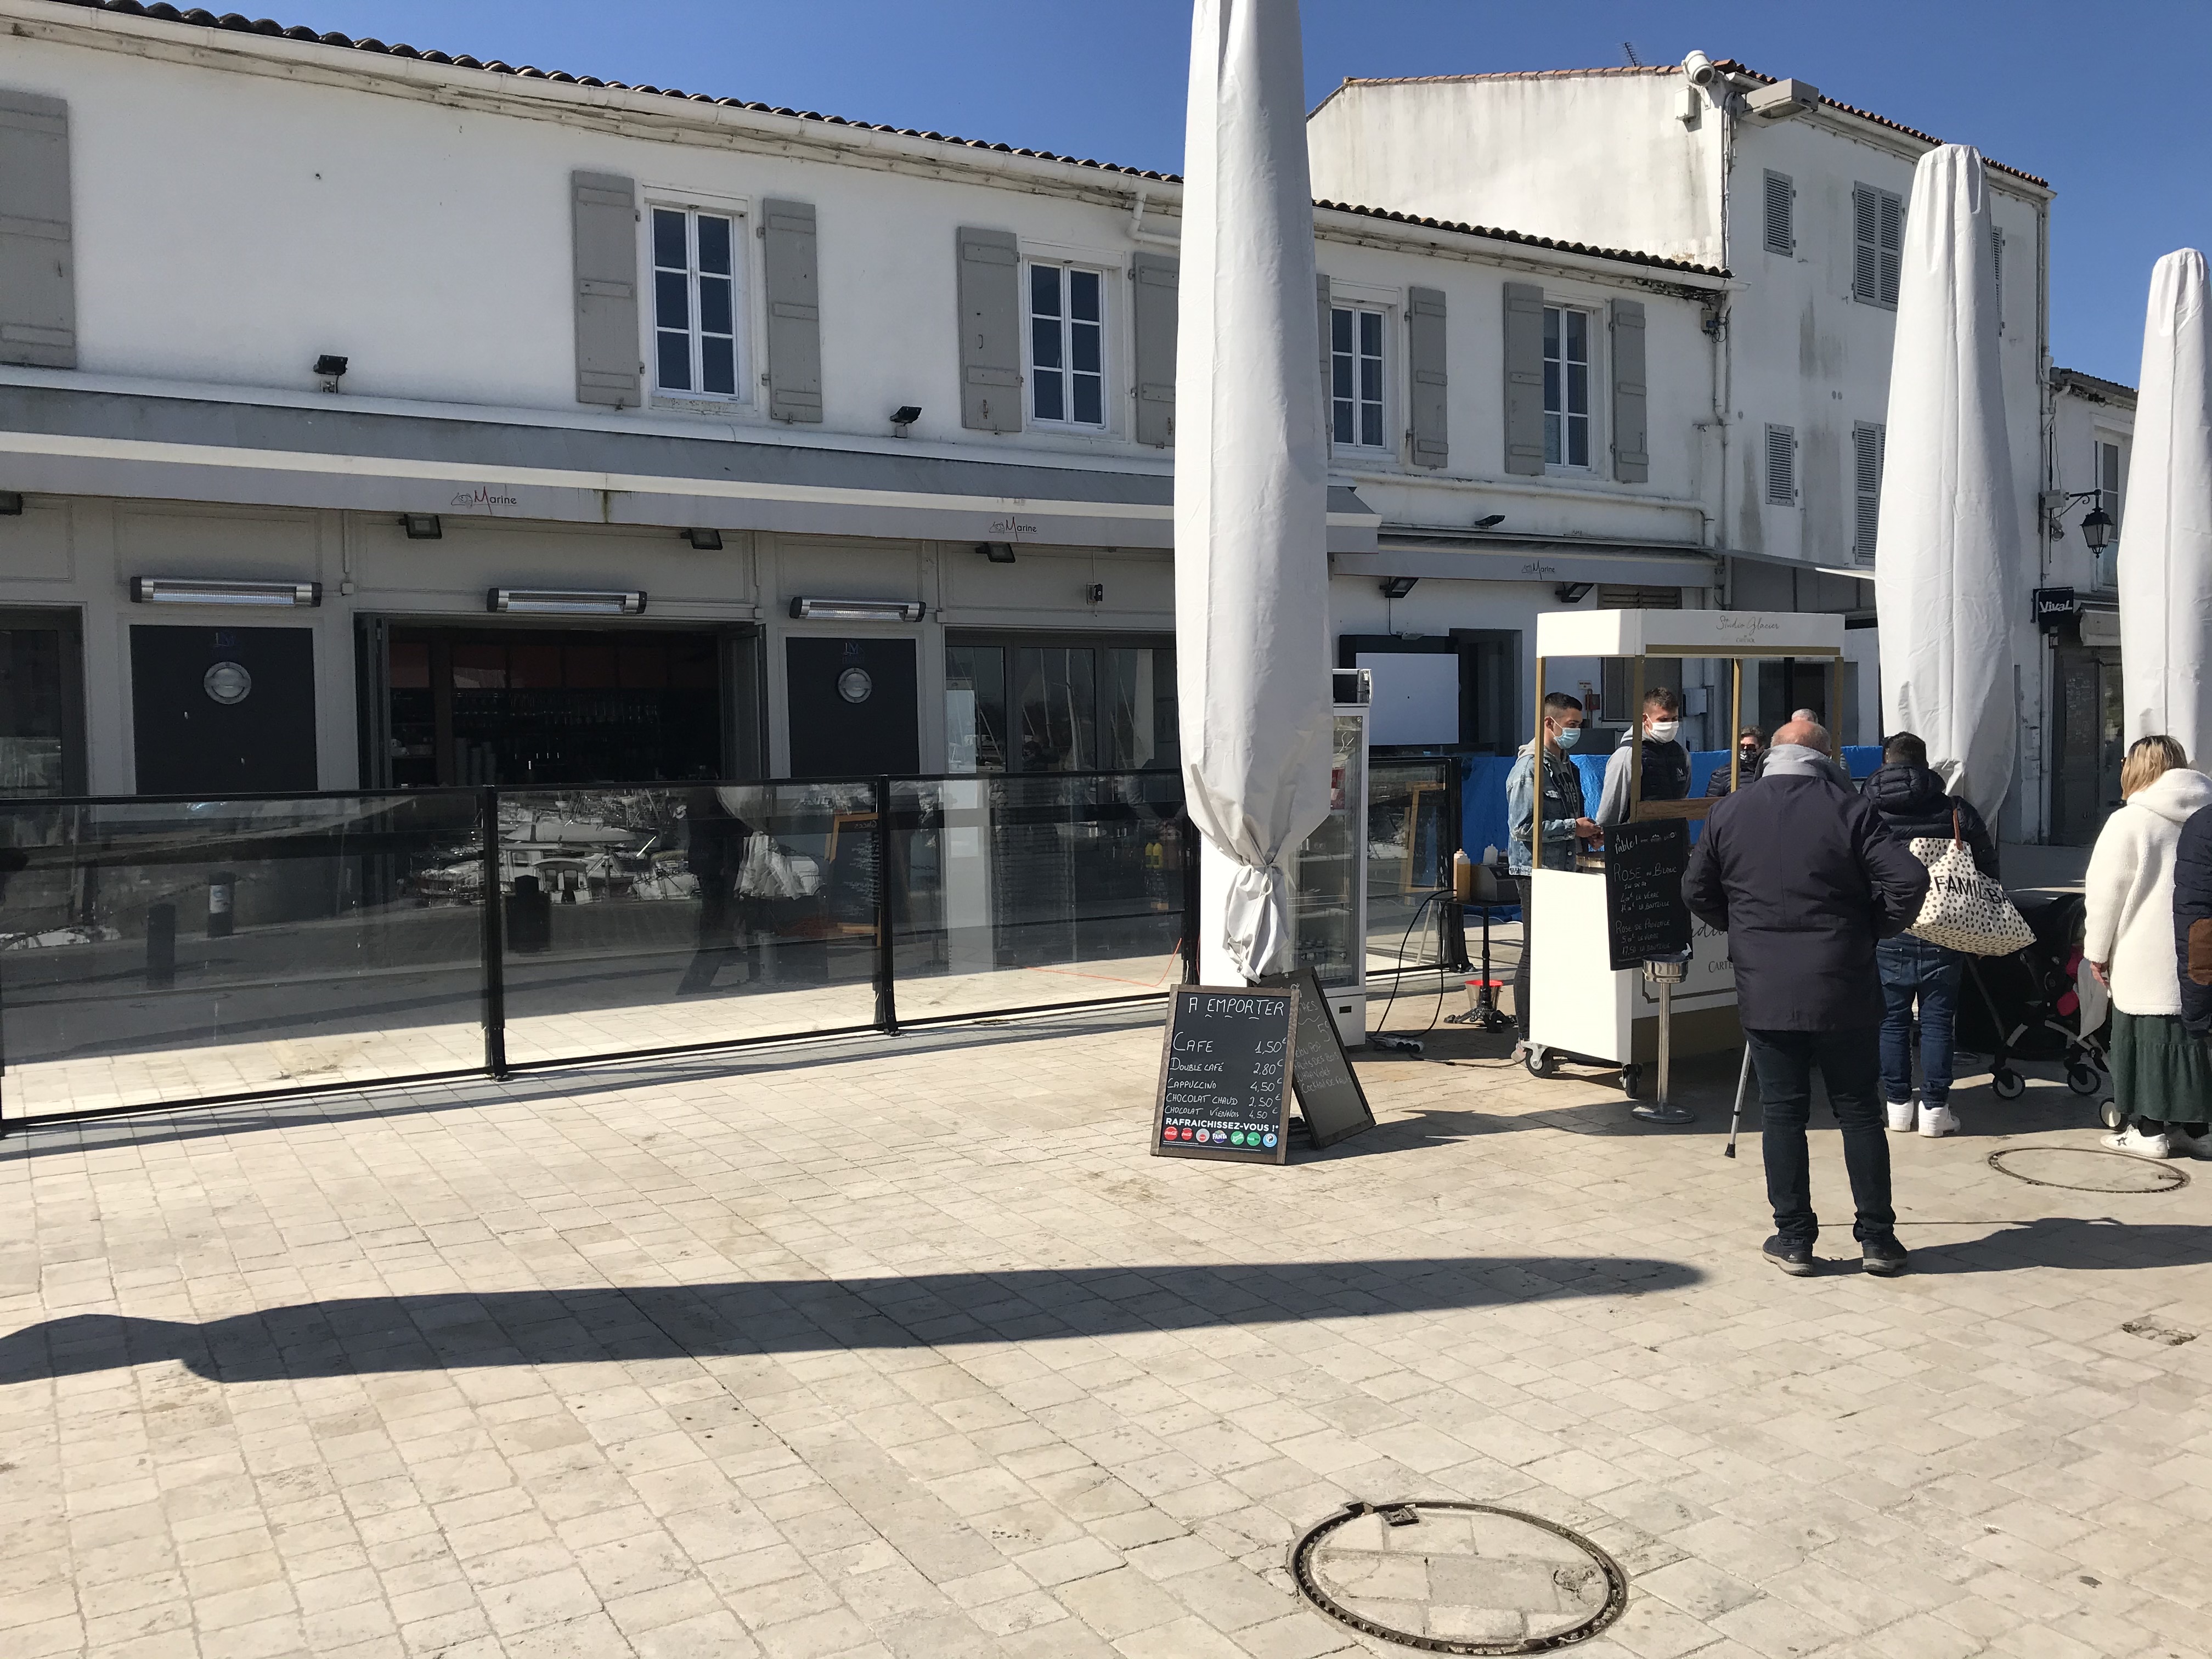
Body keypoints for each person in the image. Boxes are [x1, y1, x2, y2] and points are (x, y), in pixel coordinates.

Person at [1683, 718, 1929, 1277]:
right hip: (1843, 979)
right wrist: (1873, 928)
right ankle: (1878, 1238)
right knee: (1859, 1111)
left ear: (1771, 756)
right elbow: (1910, 880)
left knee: (1782, 1112)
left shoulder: (1729, 811)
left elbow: (1695, 891)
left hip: (1765, 984)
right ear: (1825, 758)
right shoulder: (1850, 809)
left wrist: (1744, 929)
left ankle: (1794, 1238)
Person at [1865, 732, 2000, 1138]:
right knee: (1939, 1022)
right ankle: (1936, 1111)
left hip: (1889, 925)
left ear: (1886, 762)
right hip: (1945, 926)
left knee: (1891, 1022)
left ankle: (1897, 1107)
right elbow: (1987, 869)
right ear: (1926, 765)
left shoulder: (1866, 808)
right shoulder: (1956, 810)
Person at [2084, 735, 2212, 1159]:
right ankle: (2197, 1129)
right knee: (2194, 1040)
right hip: (2199, 952)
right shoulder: (2207, 813)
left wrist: (2096, 951)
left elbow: (2106, 894)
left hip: (2144, 954)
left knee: (2144, 1040)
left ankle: (2149, 1129)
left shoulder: (2130, 821)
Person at [1506, 692, 1601, 1041]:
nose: (1576, 731)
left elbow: (1573, 817)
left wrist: (1588, 835)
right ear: (1550, 723)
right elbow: (1522, 828)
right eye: (1571, 725)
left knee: (1563, 951)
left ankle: (1559, 1028)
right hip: (1537, 873)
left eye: (1579, 725)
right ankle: (1527, 1036)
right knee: (1535, 952)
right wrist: (1573, 828)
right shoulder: (1529, 769)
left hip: (1567, 870)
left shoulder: (1568, 767)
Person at [1595, 687, 1690, 826]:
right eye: (1663, 720)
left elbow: (1684, 796)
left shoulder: (1681, 753)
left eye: (1674, 719)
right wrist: (1604, 831)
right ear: (1645, 719)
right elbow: (1611, 808)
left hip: (1675, 834)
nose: (1670, 725)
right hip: (1637, 836)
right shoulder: (1628, 755)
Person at [1705, 726, 1766, 798]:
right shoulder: (1722, 775)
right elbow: (1711, 802)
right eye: (1741, 746)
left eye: (1751, 747)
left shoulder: (1768, 770)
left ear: (1762, 749)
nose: (1745, 750)